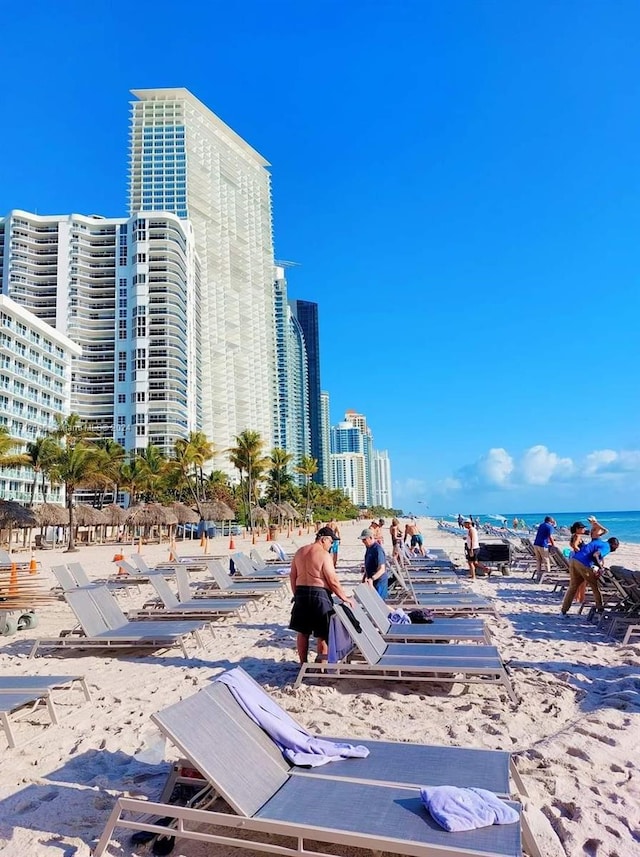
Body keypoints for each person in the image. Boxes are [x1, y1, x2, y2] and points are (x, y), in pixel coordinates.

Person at [288, 526, 352, 664]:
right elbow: (333, 581)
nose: (332, 545)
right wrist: (344, 598)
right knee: (323, 633)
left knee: (302, 632)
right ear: (324, 539)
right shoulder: (324, 555)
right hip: (319, 594)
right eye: (331, 542)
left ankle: (303, 663)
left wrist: (296, 594)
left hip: (301, 593)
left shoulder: (300, 552)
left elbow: (292, 576)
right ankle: (321, 666)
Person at [561, 537, 620, 616]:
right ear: (613, 544)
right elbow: (595, 555)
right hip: (583, 564)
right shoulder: (607, 547)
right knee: (595, 587)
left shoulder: (598, 542)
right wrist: (601, 568)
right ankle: (600, 609)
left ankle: (563, 611)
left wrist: (597, 565)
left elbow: (589, 551)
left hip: (574, 560)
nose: (615, 549)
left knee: (573, 587)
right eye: (616, 547)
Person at [360, 527, 388, 598]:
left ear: (370, 537)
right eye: (362, 540)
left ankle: (394, 610)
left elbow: (382, 569)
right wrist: (365, 577)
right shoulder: (369, 547)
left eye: (364, 539)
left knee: (380, 603)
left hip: (379, 581)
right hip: (371, 581)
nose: (363, 541)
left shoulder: (378, 550)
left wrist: (372, 579)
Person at [533, 516, 556, 582]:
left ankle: (538, 576)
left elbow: (543, 534)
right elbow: (550, 536)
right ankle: (548, 577)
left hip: (536, 544)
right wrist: (553, 545)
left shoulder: (541, 525)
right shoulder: (549, 526)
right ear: (550, 521)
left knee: (538, 561)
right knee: (546, 560)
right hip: (543, 545)